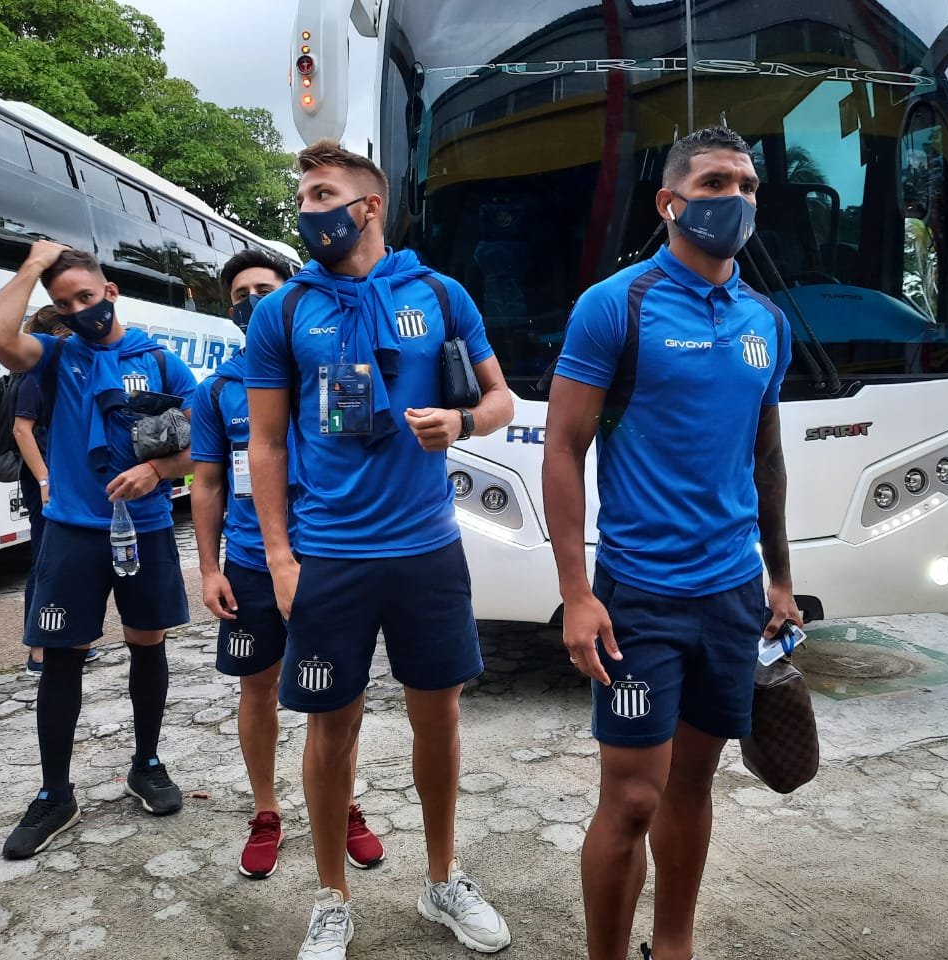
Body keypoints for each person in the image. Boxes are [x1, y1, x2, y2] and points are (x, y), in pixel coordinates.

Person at [245, 139, 514, 959]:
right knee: (331, 728)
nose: (307, 209)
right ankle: (332, 897)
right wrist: (281, 558)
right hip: (331, 555)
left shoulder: (438, 294)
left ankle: (442, 879)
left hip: (428, 549)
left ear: (368, 206)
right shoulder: (283, 311)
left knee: (440, 718)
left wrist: (461, 421)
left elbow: (501, 399)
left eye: (322, 195)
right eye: (302, 197)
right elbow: (265, 444)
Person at [541, 127, 798, 960]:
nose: (737, 199)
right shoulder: (617, 304)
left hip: (731, 594)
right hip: (639, 597)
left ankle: (674, 946)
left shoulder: (766, 320)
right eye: (716, 182)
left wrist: (780, 579)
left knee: (693, 784)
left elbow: (765, 458)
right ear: (670, 202)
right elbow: (562, 449)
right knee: (632, 799)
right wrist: (577, 593)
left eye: (748, 185)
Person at [0, 241, 197, 860]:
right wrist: (31, 266)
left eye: (87, 297)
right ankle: (55, 794)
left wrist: (158, 471)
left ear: (111, 291)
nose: (80, 311)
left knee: (147, 644)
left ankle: (146, 764)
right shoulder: (54, 358)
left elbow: (202, 444)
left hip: (146, 528)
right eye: (65, 303)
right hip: (73, 531)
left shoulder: (161, 363)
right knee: (61, 657)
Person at [191, 249, 385, 881]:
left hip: (329, 556)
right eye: (241, 294)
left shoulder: (336, 373)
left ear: (291, 298)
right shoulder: (217, 390)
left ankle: (342, 804)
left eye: (265, 289)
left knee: (341, 697)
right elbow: (207, 484)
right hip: (251, 563)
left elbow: (362, 458)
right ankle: (266, 812)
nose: (253, 302)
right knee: (259, 687)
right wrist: (210, 568)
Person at [14, 307, 99, 675]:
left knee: (70, 561)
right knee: (45, 560)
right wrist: (46, 481)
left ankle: (71, 637)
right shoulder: (39, 372)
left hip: (64, 479)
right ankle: (39, 650)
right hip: (47, 483)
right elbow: (21, 429)